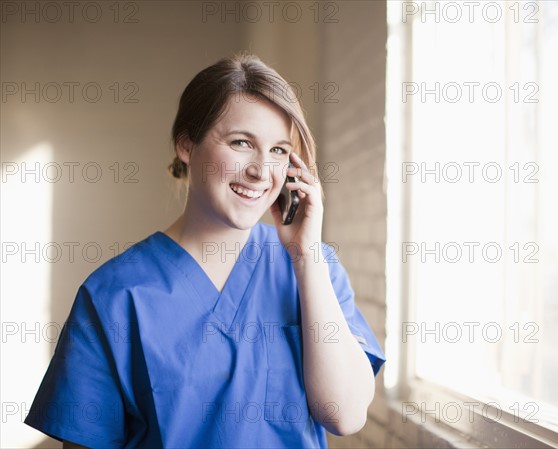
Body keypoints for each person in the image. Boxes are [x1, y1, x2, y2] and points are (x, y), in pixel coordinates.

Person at [25, 53, 385, 449]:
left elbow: (345, 415)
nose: (261, 171)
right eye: (241, 143)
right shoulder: (114, 295)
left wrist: (305, 257)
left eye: (279, 151)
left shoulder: (314, 269)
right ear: (186, 145)